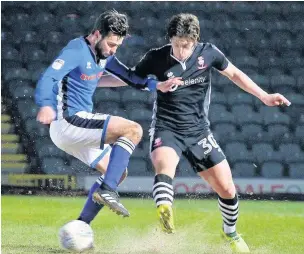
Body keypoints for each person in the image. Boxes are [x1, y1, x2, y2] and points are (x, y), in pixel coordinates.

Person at [129, 13, 291, 252]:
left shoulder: (209, 53)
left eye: (186, 45)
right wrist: (151, 85)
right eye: (177, 44)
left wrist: (264, 96)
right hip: (167, 127)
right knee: (164, 169)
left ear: (195, 41)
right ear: (169, 39)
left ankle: (231, 234)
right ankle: (164, 211)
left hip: (198, 131)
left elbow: (235, 74)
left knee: (227, 189)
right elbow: (132, 78)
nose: (182, 51)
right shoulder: (155, 58)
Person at [35, 10, 183, 220]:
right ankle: (108, 191)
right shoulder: (76, 50)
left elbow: (130, 77)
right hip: (68, 121)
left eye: (117, 46)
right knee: (133, 130)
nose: (113, 50)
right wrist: (45, 104)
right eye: (111, 44)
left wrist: (158, 85)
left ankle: (81, 225)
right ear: (97, 34)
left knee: (117, 172)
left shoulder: (104, 55)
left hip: (75, 129)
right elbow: (49, 76)